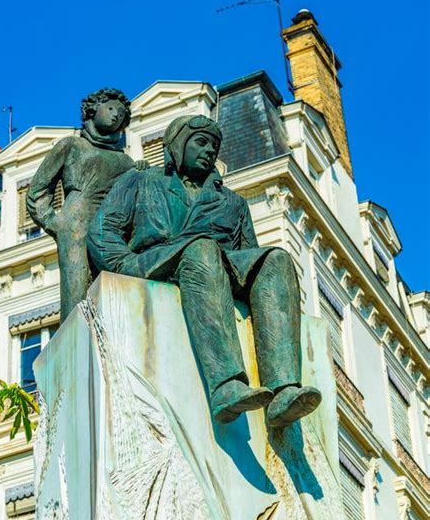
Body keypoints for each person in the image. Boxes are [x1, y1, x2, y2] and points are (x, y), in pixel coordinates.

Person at [88, 114, 321, 427]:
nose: (209, 151)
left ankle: (283, 391)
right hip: (154, 262)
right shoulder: (142, 181)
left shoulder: (233, 203)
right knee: (202, 248)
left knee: (275, 258)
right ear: (177, 147)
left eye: (214, 146)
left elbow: (246, 254)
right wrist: (125, 266)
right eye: (200, 142)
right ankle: (226, 385)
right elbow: (102, 231)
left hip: (217, 266)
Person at [27, 88, 147, 322]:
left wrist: (140, 173)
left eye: (121, 115)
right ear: (93, 109)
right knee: (77, 290)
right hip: (76, 221)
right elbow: (37, 191)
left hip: (112, 228)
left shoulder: (125, 160)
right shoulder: (71, 146)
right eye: (111, 108)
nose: (116, 116)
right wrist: (55, 222)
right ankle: (76, 346)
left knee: (115, 287)